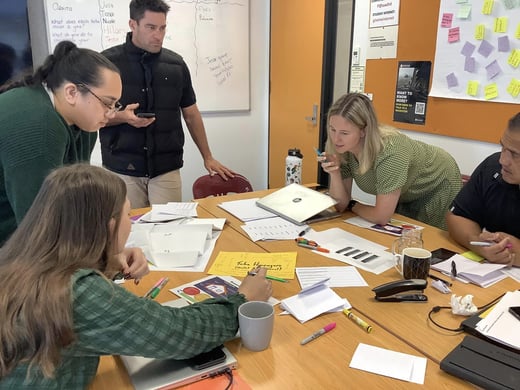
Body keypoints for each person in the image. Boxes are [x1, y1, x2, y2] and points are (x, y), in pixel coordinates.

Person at [0, 164, 272, 388]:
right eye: (128, 215)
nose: (131, 223)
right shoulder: (78, 292)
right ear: (108, 226)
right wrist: (243, 299)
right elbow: (179, 334)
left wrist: (107, 260)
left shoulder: (18, 259)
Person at [100, 0, 235, 208]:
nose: (158, 35)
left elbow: (191, 114)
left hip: (166, 170)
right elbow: (92, 118)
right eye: (151, 27)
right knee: (129, 233)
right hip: (122, 170)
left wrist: (208, 157)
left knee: (169, 232)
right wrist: (122, 117)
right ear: (132, 24)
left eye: (162, 28)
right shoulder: (107, 64)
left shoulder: (176, 65)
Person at [0, 40, 121, 245]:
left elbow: (74, 197)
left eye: (116, 105)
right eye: (107, 103)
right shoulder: (38, 125)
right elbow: (39, 228)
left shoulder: (84, 123)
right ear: (72, 92)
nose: (111, 113)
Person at [320, 93, 462, 230]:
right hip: (407, 192)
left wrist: (352, 204)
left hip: (437, 183)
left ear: (364, 131)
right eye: (332, 130)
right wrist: (335, 173)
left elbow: (381, 216)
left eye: (344, 133)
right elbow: (340, 205)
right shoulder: (344, 149)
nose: (336, 139)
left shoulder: (390, 151)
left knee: (428, 241)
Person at [446, 113, 520, 266]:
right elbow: (457, 217)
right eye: (503, 148)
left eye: (515, 155)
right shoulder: (493, 167)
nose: (503, 160)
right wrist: (477, 243)